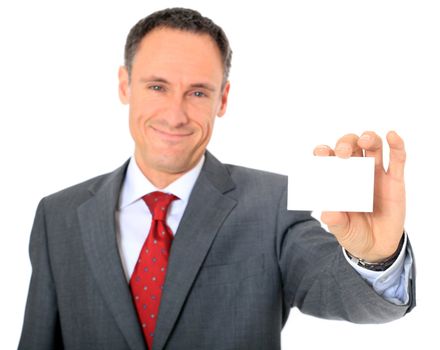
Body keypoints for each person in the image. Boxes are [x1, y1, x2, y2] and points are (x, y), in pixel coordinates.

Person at [18, 7, 415, 350]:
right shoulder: (60, 215)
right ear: (125, 85)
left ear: (222, 99)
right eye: (157, 87)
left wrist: (376, 257)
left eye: (198, 93)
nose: (175, 115)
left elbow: (344, 295)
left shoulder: (272, 203)